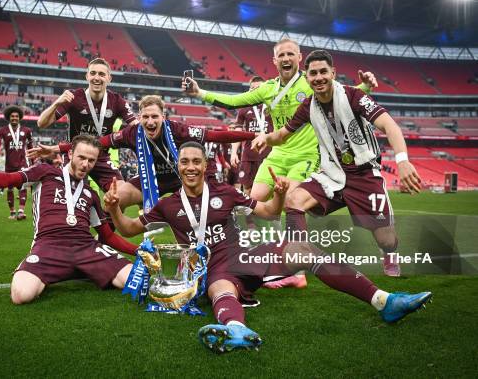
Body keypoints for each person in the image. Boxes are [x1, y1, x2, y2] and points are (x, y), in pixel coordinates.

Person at [104, 141, 431, 353]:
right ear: (179, 167)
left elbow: (268, 212)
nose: (190, 167)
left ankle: (384, 301)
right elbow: (131, 228)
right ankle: (235, 330)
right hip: (208, 269)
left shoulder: (225, 192)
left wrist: (277, 193)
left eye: (196, 162)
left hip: (242, 256)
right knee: (220, 287)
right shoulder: (167, 204)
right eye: (185, 162)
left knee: (303, 251)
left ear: (205, 166)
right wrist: (116, 208)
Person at [184, 38, 383, 284]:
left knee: (293, 203)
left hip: (307, 156)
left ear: (299, 57)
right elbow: (234, 101)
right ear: (274, 60)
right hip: (277, 156)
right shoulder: (268, 88)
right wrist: (200, 93)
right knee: (252, 205)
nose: (286, 58)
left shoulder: (310, 82)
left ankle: (297, 270)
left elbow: (342, 96)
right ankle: (270, 255)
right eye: (282, 55)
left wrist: (365, 86)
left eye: (291, 54)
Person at [252, 49, 423, 277]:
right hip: (332, 174)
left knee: (387, 240)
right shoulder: (308, 106)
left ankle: (390, 254)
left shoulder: (354, 96)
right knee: (294, 199)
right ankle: (297, 257)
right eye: (313, 73)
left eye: (324, 71)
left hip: (364, 176)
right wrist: (266, 137)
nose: (319, 77)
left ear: (333, 72)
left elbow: (389, 126)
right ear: (307, 76)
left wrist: (402, 161)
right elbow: (282, 134)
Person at [0, 134, 137, 305]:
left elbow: (108, 237)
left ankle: (83, 269)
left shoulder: (91, 194)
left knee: (135, 280)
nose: (86, 164)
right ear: (70, 154)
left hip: (86, 248)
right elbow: (10, 179)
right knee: (21, 295)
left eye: (91, 160)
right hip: (49, 246)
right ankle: (67, 270)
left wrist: (138, 251)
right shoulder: (45, 172)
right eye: (81, 157)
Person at [29, 95, 257, 211]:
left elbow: (216, 135)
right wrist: (58, 148)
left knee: (215, 205)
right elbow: (98, 143)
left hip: (184, 178)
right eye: (145, 117)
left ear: (163, 117)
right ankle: (104, 240)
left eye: (154, 117)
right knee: (117, 198)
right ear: (139, 117)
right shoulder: (131, 132)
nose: (149, 121)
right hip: (153, 180)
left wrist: (253, 136)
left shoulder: (178, 129)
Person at [36, 57, 137, 194]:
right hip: (74, 153)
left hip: (100, 155)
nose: (97, 78)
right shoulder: (74, 97)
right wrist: (56, 103)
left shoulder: (117, 100)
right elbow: (41, 123)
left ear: (109, 78)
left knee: (119, 193)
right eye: (93, 73)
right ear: (87, 76)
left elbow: (136, 126)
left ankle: (107, 215)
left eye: (102, 74)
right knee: (70, 196)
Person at [0, 105, 33, 220]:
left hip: (22, 163)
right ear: (9, 117)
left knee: (22, 187)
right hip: (9, 164)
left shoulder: (26, 130)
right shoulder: (3, 130)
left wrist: (33, 161)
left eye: (16, 116)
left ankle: (21, 212)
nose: (14, 118)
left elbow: (30, 147)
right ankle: (12, 212)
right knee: (10, 189)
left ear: (20, 117)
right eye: (12, 116)